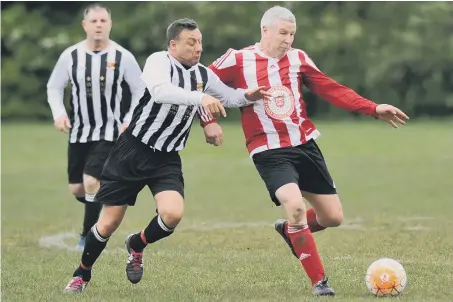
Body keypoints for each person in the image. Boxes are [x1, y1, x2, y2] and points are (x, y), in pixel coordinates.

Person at [207, 5, 409, 296]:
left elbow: (331, 89)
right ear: (265, 30)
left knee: (332, 217)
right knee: (296, 207)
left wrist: (374, 108)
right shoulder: (237, 59)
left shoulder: (298, 58)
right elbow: (200, 84)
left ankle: (290, 231)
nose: (288, 40)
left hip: (304, 144)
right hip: (268, 149)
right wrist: (208, 121)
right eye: (282, 33)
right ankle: (319, 283)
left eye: (292, 34)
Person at [62, 18, 271, 294]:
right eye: (191, 42)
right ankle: (82, 274)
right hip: (132, 151)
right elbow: (161, 92)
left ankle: (137, 244)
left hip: (167, 158)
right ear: (173, 45)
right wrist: (200, 99)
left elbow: (229, 98)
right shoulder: (159, 61)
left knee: (172, 214)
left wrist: (249, 95)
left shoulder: (202, 74)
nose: (198, 48)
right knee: (108, 223)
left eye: (200, 42)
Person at [47, 3, 143, 250]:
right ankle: (105, 204)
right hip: (79, 131)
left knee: (91, 181)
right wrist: (59, 114)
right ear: (85, 25)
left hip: (110, 131)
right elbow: (54, 87)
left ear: (110, 24)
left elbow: (140, 90)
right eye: (94, 21)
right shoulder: (71, 56)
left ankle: (88, 237)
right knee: (77, 188)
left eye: (103, 21)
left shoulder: (122, 56)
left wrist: (129, 119)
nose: (99, 25)